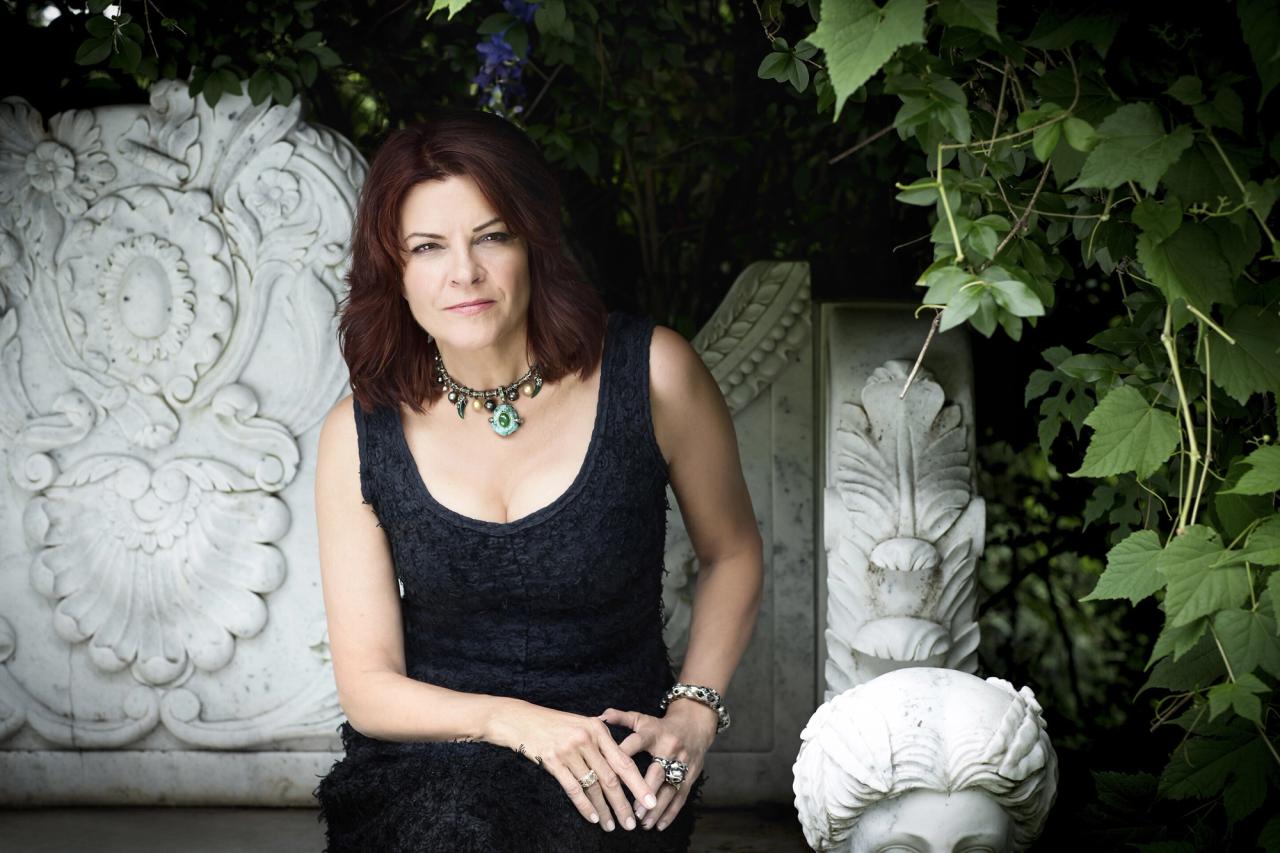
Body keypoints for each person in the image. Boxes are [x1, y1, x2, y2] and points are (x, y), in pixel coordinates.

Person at [311, 107, 764, 852]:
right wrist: (511, 721)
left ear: (535, 242)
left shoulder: (650, 373)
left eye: (491, 236)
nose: (464, 272)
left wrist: (694, 709)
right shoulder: (358, 431)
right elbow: (369, 687)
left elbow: (732, 552)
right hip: (430, 763)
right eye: (428, 247)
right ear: (394, 270)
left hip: (613, 769)